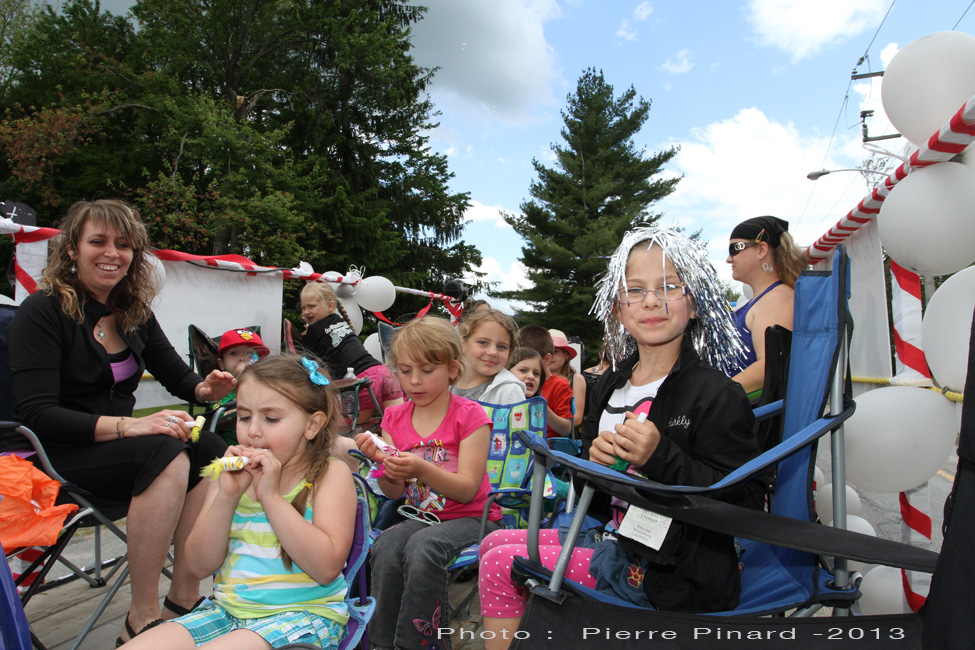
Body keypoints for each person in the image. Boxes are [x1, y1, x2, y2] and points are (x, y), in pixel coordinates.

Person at [477, 227, 762, 650]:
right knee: (493, 541)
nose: (651, 300)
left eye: (669, 287)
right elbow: (591, 499)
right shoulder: (610, 385)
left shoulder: (715, 394)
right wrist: (592, 465)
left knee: (502, 562)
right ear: (618, 307)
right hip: (617, 537)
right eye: (636, 290)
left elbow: (746, 502)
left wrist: (660, 456)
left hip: (672, 571)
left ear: (697, 303)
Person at [2, 199, 237, 645]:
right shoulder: (43, 310)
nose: (112, 253)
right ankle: (141, 616)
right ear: (72, 248)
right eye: (99, 241)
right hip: (55, 454)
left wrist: (206, 390)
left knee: (210, 451)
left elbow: (178, 377)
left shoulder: (134, 310)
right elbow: (35, 413)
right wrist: (130, 426)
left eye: (124, 245)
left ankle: (183, 598)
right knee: (164, 449)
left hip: (120, 453)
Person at [122, 354, 357, 649]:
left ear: (312, 425)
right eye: (244, 416)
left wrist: (270, 498)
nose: (253, 430)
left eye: (271, 418)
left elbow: (325, 568)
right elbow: (197, 565)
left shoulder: (329, 474)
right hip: (226, 613)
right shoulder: (227, 476)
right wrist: (227, 496)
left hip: (303, 618)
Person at [353, 316, 502, 650]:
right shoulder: (393, 417)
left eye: (426, 370)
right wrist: (385, 466)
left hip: (474, 519)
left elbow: (466, 489)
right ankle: (380, 642)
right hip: (420, 517)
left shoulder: (471, 416)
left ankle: (420, 645)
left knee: (424, 548)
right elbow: (395, 493)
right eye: (405, 371)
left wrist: (421, 469)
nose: (414, 381)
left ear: (452, 369)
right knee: (387, 545)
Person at [298, 281, 403, 423]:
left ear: (330, 306)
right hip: (383, 372)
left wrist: (305, 335)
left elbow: (306, 361)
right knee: (398, 422)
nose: (306, 312)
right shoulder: (339, 320)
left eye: (312, 306)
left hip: (361, 380)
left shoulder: (313, 332)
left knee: (349, 429)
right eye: (303, 308)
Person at [727, 216, 807, 396]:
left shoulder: (778, 298)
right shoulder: (763, 300)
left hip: (746, 416)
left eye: (734, 249)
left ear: (761, 250)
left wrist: (708, 396)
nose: (728, 259)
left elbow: (768, 367)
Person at [452, 309, 525, 405]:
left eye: (501, 346)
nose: (492, 352)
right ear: (463, 344)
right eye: (483, 342)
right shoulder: (446, 382)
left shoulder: (509, 392)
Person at [212, 328, 271, 445]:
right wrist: (241, 381)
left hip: (265, 442)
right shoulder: (219, 388)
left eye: (250, 353)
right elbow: (223, 416)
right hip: (230, 447)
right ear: (221, 363)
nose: (243, 358)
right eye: (234, 353)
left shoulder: (268, 386)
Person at [516, 325, 573, 438]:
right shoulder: (515, 383)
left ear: (546, 359)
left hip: (546, 449)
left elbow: (566, 429)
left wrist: (542, 407)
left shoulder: (559, 385)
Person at [548, 328, 585, 428]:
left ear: (567, 355)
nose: (550, 356)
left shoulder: (576, 379)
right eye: (546, 351)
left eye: (555, 351)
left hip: (566, 438)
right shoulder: (535, 378)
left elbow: (577, 418)